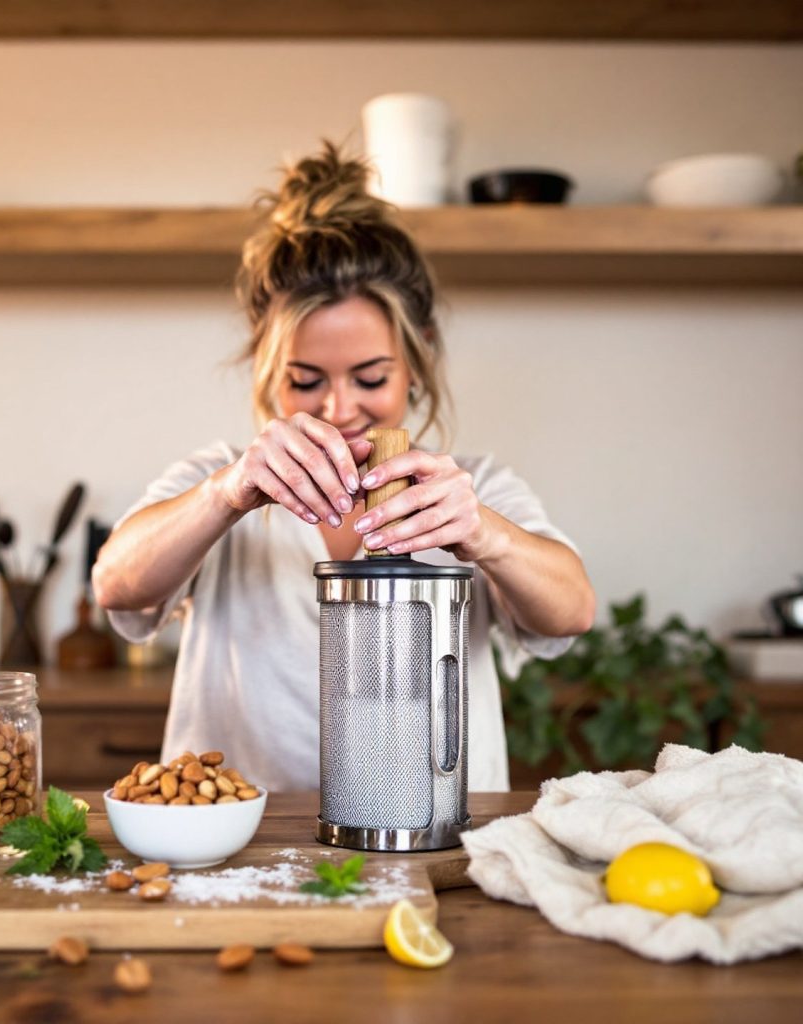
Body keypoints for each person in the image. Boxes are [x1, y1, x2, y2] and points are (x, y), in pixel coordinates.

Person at [92, 142, 595, 792]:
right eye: (305, 381)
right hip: (245, 850)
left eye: (370, 376)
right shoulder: (221, 477)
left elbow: (572, 611)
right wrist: (226, 494)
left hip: (428, 842)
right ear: (266, 369)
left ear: (418, 359)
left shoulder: (472, 487)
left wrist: (483, 534)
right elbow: (116, 585)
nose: (339, 408)